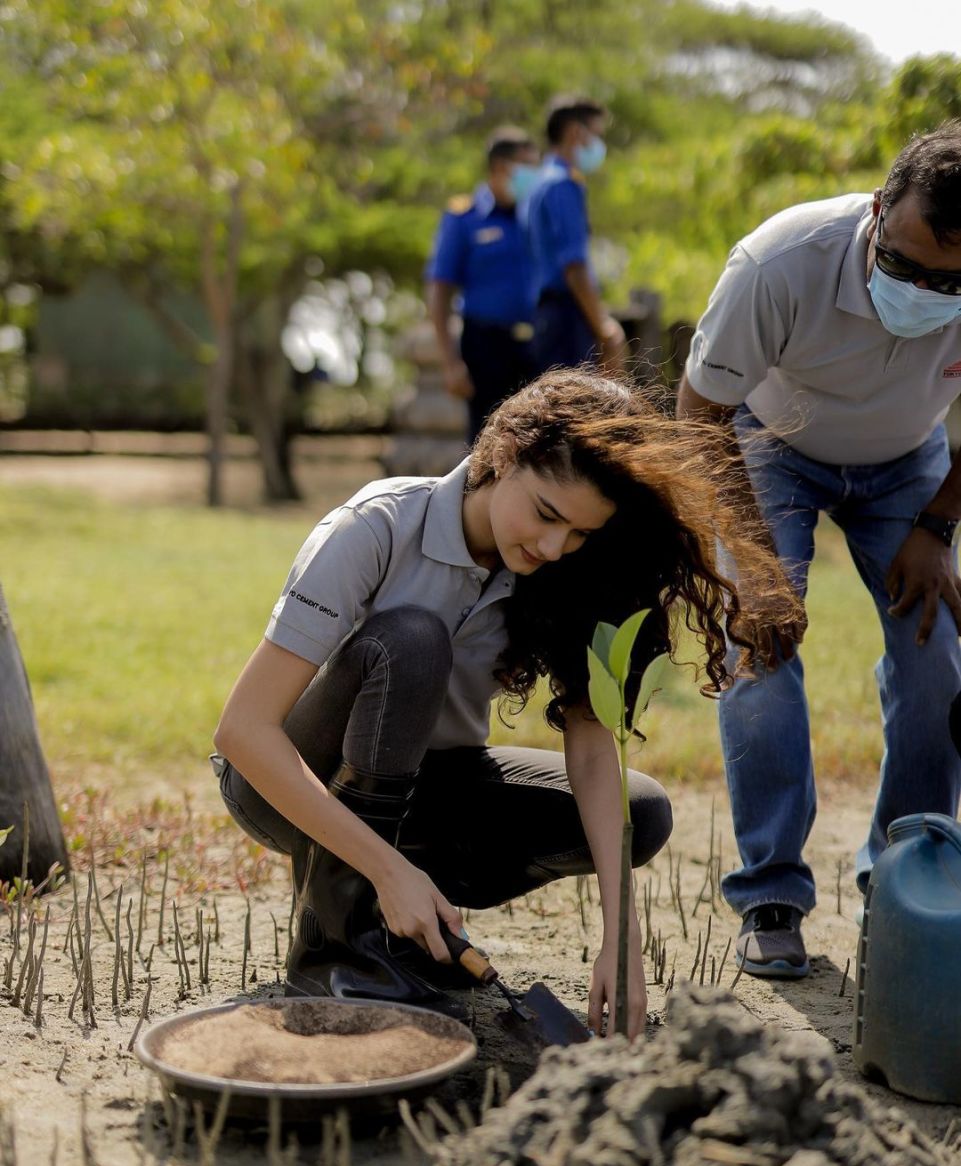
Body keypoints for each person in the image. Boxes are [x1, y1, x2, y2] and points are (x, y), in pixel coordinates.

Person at [212, 368, 795, 1037]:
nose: (552, 547)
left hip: (426, 791)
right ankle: (339, 956)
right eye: (545, 514)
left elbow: (591, 748)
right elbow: (243, 731)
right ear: (502, 454)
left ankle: (402, 935)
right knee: (412, 640)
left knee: (641, 812)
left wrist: (621, 935)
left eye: (578, 533)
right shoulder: (377, 526)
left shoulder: (564, 571)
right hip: (286, 785)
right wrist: (388, 870)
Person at [676, 121, 961, 980]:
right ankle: (769, 892)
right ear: (876, 210)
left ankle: (907, 886)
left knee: (936, 654)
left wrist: (936, 529)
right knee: (756, 644)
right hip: (771, 446)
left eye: (949, 282)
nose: (921, 291)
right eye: (903, 265)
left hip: (908, 462)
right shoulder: (779, 263)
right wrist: (754, 569)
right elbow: (699, 412)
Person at [425, 127, 541, 443]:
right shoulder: (464, 217)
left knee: (538, 440)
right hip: (486, 346)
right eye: (527, 165)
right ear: (501, 167)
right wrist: (450, 363)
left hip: (537, 344)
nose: (535, 174)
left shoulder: (534, 214)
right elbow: (439, 290)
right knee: (487, 441)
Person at [523, 96, 627, 375]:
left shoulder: (540, 182)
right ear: (575, 132)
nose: (598, 145)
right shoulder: (564, 184)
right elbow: (574, 266)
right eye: (596, 134)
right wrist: (603, 327)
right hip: (567, 317)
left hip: (546, 316)